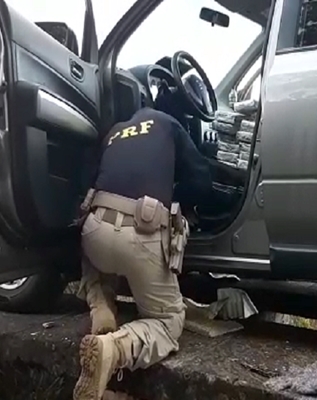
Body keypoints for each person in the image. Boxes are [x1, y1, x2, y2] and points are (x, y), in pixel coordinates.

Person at [73, 104, 212, 400]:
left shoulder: (114, 131)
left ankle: (101, 308)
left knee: (90, 237)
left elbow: (87, 181)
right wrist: (173, 196)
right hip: (142, 234)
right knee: (168, 323)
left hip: (96, 231)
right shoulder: (169, 124)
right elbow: (202, 181)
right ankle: (113, 349)